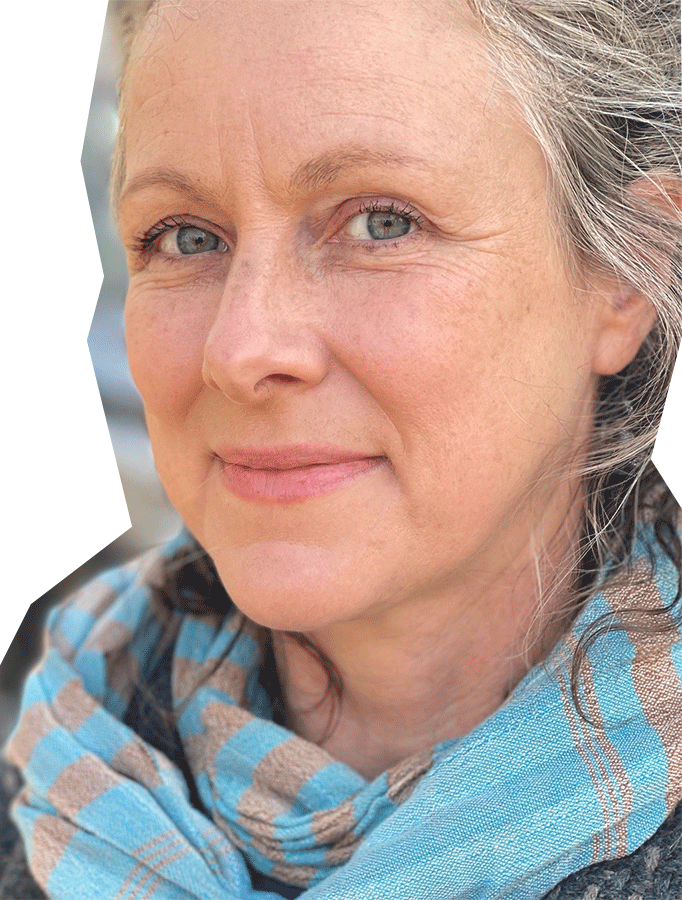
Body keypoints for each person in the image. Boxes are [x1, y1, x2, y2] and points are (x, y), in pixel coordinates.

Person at [2, 0, 682, 897]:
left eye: (381, 223)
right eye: (186, 236)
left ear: (630, 270)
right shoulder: (43, 766)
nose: (242, 351)